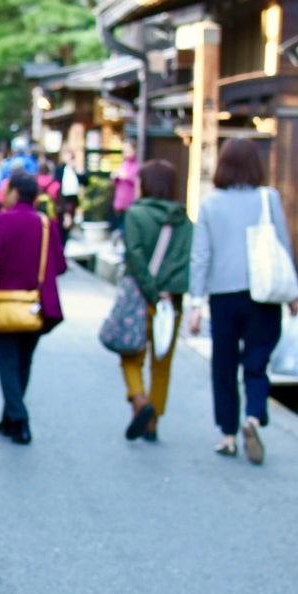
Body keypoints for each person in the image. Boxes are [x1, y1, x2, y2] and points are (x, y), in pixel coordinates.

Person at [188, 137, 298, 464]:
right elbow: (282, 245)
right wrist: (292, 294)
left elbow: (200, 256)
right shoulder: (269, 198)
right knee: (257, 360)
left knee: (223, 365)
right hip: (263, 293)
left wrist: (196, 303)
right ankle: (252, 416)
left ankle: (227, 435)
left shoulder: (210, 204)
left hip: (223, 297)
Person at [0, 170, 66, 444]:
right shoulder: (45, 223)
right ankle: (9, 419)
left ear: (15, 192)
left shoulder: (2, 221)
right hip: (37, 304)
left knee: (7, 360)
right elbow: (60, 265)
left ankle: (18, 418)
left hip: (7, 302)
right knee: (24, 360)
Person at [119, 160, 192, 441]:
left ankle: (140, 401)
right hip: (171, 302)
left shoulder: (136, 214)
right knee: (162, 364)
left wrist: (151, 290)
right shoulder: (184, 220)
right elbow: (186, 261)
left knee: (130, 356)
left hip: (140, 298)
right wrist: (168, 291)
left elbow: (135, 256)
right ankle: (153, 422)